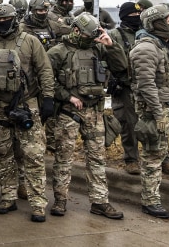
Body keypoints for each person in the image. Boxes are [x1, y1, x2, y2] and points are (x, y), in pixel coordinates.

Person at [0, 3, 55, 223]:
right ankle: (8, 196)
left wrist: (48, 98)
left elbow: (45, 70)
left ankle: (38, 203)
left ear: (14, 18)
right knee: (2, 153)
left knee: (34, 154)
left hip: (27, 105)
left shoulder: (30, 41)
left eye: (6, 20)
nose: (2, 24)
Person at [47, 13, 123, 219]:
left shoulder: (99, 48)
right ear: (76, 30)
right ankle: (60, 200)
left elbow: (122, 68)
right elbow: (45, 80)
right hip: (68, 113)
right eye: (89, 35)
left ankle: (100, 201)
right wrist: (67, 96)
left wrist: (110, 45)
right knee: (64, 158)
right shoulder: (58, 52)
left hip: (95, 112)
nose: (92, 39)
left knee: (97, 158)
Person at [129, 4, 169, 219]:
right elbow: (146, 85)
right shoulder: (146, 49)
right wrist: (158, 114)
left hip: (167, 106)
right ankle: (150, 201)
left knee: (160, 152)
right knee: (152, 154)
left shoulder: (162, 46)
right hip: (154, 110)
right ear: (157, 23)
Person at [104, 1, 143, 175]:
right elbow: (106, 59)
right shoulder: (114, 34)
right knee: (128, 124)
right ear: (124, 17)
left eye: (138, 15)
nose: (136, 18)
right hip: (124, 86)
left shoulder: (145, 34)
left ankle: (163, 159)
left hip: (145, 84)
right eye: (132, 16)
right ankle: (131, 158)